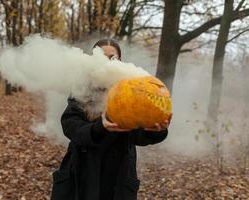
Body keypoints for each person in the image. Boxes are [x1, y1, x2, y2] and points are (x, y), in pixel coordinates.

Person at [51, 39, 171, 200]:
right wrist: (99, 127)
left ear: (120, 62)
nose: (107, 62)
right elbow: (70, 126)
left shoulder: (132, 91)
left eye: (112, 58)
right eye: (102, 56)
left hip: (119, 174)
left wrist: (157, 130)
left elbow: (138, 135)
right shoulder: (82, 89)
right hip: (84, 171)